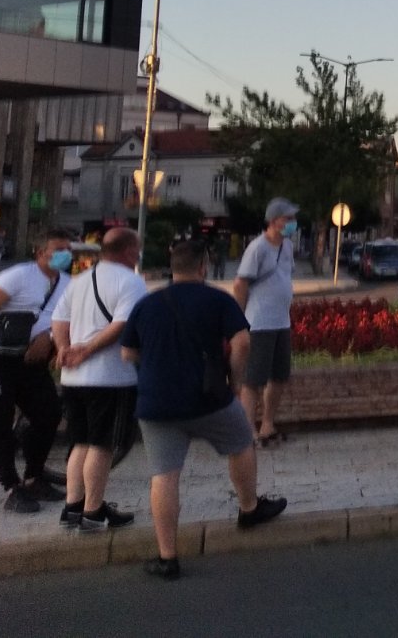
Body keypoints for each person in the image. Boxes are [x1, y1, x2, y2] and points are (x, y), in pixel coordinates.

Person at [122, 239, 287, 580]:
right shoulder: (217, 300)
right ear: (203, 266)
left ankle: (168, 557)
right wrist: (235, 379)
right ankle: (249, 508)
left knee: (164, 475)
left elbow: (128, 353)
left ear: (172, 267)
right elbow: (242, 342)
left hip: (157, 404)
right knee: (241, 443)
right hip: (208, 398)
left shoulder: (147, 304)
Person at [0, 229, 72, 512]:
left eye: (68, 249)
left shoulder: (68, 283)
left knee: (48, 413)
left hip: (28, 360)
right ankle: (11, 486)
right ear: (41, 252)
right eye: (58, 249)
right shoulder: (18, 276)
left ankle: (34, 476)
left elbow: (63, 322)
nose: (65, 255)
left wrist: (51, 339)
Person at [50, 227, 148, 530]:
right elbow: (122, 324)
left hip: (73, 379)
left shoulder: (78, 281)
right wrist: (88, 350)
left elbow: (58, 320)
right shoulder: (131, 282)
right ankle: (93, 512)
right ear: (130, 251)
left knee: (79, 442)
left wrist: (65, 349)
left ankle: (73, 506)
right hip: (110, 378)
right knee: (102, 445)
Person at [231, 197, 299, 445]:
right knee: (253, 380)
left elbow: (284, 276)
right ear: (274, 221)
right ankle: (247, 432)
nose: (293, 223)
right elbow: (240, 283)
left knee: (279, 376)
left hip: (282, 321)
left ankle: (267, 425)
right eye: (288, 218)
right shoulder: (257, 248)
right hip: (259, 323)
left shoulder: (287, 246)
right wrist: (239, 321)